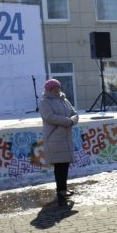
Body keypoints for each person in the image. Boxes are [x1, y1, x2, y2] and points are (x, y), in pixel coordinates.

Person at [39, 78, 79, 206]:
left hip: (66, 137)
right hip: (54, 138)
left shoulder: (63, 99)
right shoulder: (45, 102)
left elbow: (74, 113)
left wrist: (73, 119)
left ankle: (63, 189)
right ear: (49, 89)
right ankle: (60, 191)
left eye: (58, 87)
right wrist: (68, 121)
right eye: (54, 87)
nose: (57, 89)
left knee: (65, 165)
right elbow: (49, 117)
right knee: (59, 166)